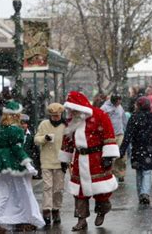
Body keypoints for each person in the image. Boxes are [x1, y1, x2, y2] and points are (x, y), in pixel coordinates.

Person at [0, 101, 45, 232]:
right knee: (20, 191)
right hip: (11, 162)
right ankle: (21, 219)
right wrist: (28, 163)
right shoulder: (16, 130)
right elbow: (17, 149)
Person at [58, 91, 119, 231]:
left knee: (101, 189)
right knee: (79, 191)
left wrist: (108, 156)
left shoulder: (99, 115)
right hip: (79, 159)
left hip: (97, 157)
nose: (71, 111)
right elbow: (67, 141)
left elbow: (108, 134)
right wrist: (64, 158)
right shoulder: (71, 120)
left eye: (73, 108)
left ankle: (102, 209)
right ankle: (81, 219)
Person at [119, 97, 152, 205]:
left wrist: (122, 150)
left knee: (139, 171)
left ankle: (141, 193)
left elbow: (128, 136)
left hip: (136, 148)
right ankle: (145, 193)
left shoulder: (134, 118)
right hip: (149, 148)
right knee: (147, 171)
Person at [34, 103, 67, 225]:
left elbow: (69, 143)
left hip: (60, 161)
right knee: (47, 187)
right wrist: (44, 139)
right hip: (47, 161)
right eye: (53, 116)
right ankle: (46, 210)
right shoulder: (44, 124)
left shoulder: (65, 125)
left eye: (57, 115)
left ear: (61, 114)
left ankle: (56, 209)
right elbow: (36, 139)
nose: (55, 118)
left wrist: (67, 159)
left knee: (58, 188)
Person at [101, 93, 128, 182]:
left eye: (120, 102)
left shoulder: (120, 107)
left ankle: (120, 173)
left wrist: (126, 129)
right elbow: (100, 120)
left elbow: (124, 119)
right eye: (117, 102)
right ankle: (110, 172)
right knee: (111, 155)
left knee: (122, 155)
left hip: (120, 133)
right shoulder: (105, 108)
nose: (119, 104)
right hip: (110, 135)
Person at [21, 114, 41, 179]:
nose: (22, 126)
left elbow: (36, 150)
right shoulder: (15, 135)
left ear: (27, 125)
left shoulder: (31, 135)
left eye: (24, 124)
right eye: (21, 124)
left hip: (28, 160)